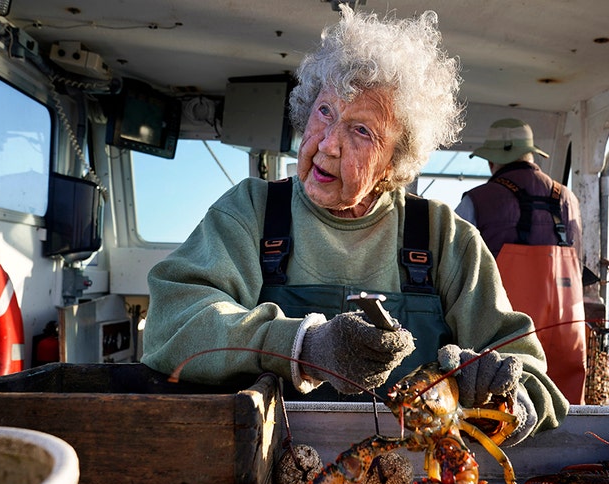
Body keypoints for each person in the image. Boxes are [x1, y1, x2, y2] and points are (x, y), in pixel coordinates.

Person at [142, 7, 568, 444]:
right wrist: (301, 347)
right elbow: (171, 325)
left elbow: (532, 381)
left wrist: (505, 401)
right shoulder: (251, 210)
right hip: (268, 468)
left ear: (395, 162)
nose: (327, 144)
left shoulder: (445, 237)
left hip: (413, 481)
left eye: (362, 130)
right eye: (324, 111)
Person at [456, 118, 588, 404]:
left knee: (506, 405)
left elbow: (454, 266)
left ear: (493, 161)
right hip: (567, 327)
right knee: (566, 406)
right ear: (531, 154)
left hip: (509, 332)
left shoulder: (476, 200)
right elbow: (580, 256)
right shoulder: (569, 199)